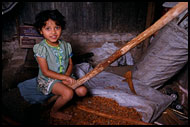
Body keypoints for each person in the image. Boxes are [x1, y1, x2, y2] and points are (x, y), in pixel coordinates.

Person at [33, 9, 87, 120]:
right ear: (40, 30)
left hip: (65, 76)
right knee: (68, 93)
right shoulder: (41, 48)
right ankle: (54, 111)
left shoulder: (66, 45)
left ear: (61, 28)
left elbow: (71, 64)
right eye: (48, 28)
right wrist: (63, 78)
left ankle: (62, 96)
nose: (53, 32)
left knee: (83, 91)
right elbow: (45, 71)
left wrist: (67, 77)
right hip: (49, 79)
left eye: (57, 27)